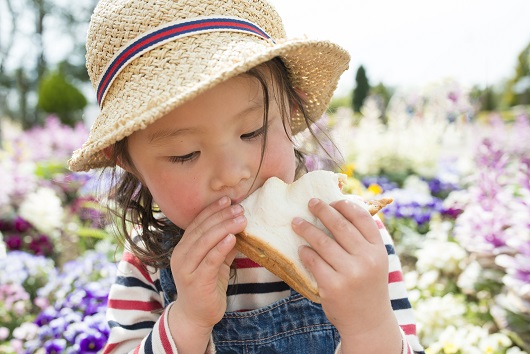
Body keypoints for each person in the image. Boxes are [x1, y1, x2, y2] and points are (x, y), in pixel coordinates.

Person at [69, 0, 425, 353]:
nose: (232, 174)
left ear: (291, 109)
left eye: (252, 132)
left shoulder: (350, 235)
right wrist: (188, 320)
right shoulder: (148, 261)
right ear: (128, 162)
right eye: (185, 154)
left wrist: (369, 323)